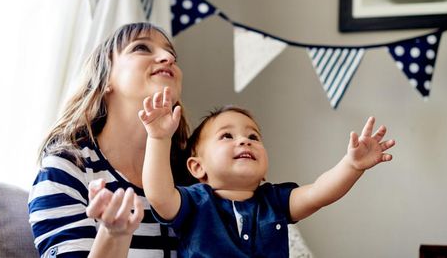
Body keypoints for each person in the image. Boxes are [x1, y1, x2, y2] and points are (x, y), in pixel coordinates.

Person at [140, 90, 396, 257]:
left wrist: (351, 166)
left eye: (253, 136)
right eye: (227, 136)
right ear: (198, 167)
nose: (245, 141)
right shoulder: (195, 203)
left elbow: (319, 192)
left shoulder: (274, 200)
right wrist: (159, 137)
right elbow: (159, 195)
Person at [28, 22, 194, 258]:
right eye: (141, 48)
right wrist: (114, 235)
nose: (167, 57)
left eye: (172, 54)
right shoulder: (65, 169)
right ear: (105, 79)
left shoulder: (191, 170)